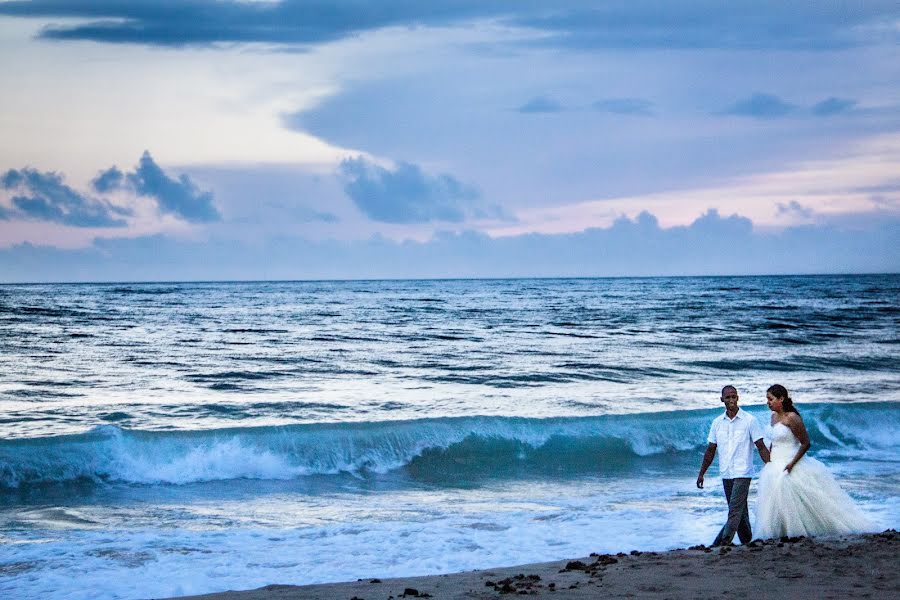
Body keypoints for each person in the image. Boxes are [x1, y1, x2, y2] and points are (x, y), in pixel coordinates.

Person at [754, 384, 874, 539]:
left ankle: (800, 532)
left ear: (781, 399)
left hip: (791, 462)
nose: (768, 402)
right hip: (775, 463)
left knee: (794, 499)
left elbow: (805, 443)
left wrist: (792, 464)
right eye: (767, 399)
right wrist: (769, 458)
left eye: (770, 399)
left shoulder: (792, 417)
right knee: (774, 501)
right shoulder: (773, 417)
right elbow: (773, 441)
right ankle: (780, 533)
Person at [696, 385, 770, 546]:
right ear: (722, 399)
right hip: (726, 473)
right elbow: (710, 450)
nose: (731, 400)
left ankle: (721, 543)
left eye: (734, 396)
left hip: (743, 472)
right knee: (740, 511)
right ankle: (748, 542)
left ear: (738, 398)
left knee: (734, 511)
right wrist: (702, 473)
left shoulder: (750, 420)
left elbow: (761, 446)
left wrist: (771, 466)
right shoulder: (717, 423)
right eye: (728, 397)